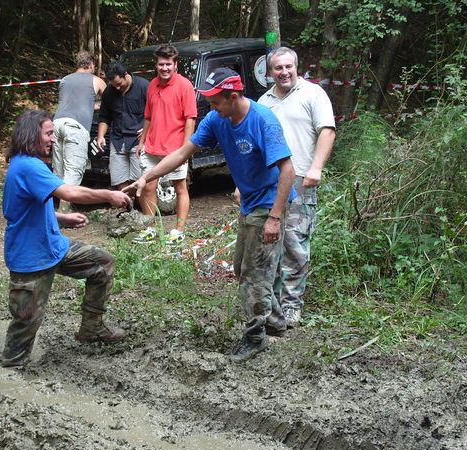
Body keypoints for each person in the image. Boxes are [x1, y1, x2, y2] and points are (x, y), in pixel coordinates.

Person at [124, 68, 296, 362]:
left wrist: (275, 217)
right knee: (245, 268)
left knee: (253, 274)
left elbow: (288, 171)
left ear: (233, 96)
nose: (211, 107)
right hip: (250, 202)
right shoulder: (218, 119)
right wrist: (147, 177)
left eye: (216, 101)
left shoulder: (262, 121)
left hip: (269, 203)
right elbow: (182, 153)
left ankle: (255, 337)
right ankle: (275, 320)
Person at [0, 109, 132, 367]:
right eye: (48, 133)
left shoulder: (28, 164)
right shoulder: (27, 166)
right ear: (30, 134)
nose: (53, 139)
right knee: (26, 322)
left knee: (102, 264)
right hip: (31, 260)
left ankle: (91, 328)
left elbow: (24, 208)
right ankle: (10, 371)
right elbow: (69, 193)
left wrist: (61, 219)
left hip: (54, 248)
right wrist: (108, 195)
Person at [258, 47, 336, 328]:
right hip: (270, 183)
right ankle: (274, 306)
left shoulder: (312, 94)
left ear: (296, 67)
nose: (284, 72)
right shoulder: (263, 102)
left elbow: (326, 130)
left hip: (301, 178)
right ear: (270, 72)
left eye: (288, 66)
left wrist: (316, 167)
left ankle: (293, 306)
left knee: (294, 244)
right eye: (278, 68)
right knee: (269, 244)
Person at [133, 43, 197, 244]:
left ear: (175, 64)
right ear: (156, 65)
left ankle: (179, 231)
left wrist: (186, 147)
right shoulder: (152, 85)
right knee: (148, 187)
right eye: (161, 64)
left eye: (168, 64)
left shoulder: (184, 85)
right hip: (152, 146)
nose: (165, 68)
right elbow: (148, 117)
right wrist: (142, 142)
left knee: (180, 188)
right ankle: (151, 228)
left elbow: (190, 118)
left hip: (175, 149)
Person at [52, 50, 107, 212]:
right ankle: (63, 212)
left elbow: (73, 102)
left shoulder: (64, 80)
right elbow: (111, 101)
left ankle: (53, 208)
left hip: (56, 123)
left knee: (59, 169)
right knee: (73, 169)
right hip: (76, 127)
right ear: (91, 65)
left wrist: (93, 105)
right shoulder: (95, 80)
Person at [96, 61, 150, 189]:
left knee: (141, 180)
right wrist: (100, 136)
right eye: (114, 85)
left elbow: (156, 112)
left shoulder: (143, 86)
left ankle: (142, 208)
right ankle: (128, 207)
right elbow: (104, 116)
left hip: (138, 141)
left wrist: (149, 130)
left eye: (119, 84)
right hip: (118, 141)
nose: (117, 88)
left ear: (126, 75)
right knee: (120, 181)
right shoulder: (109, 92)